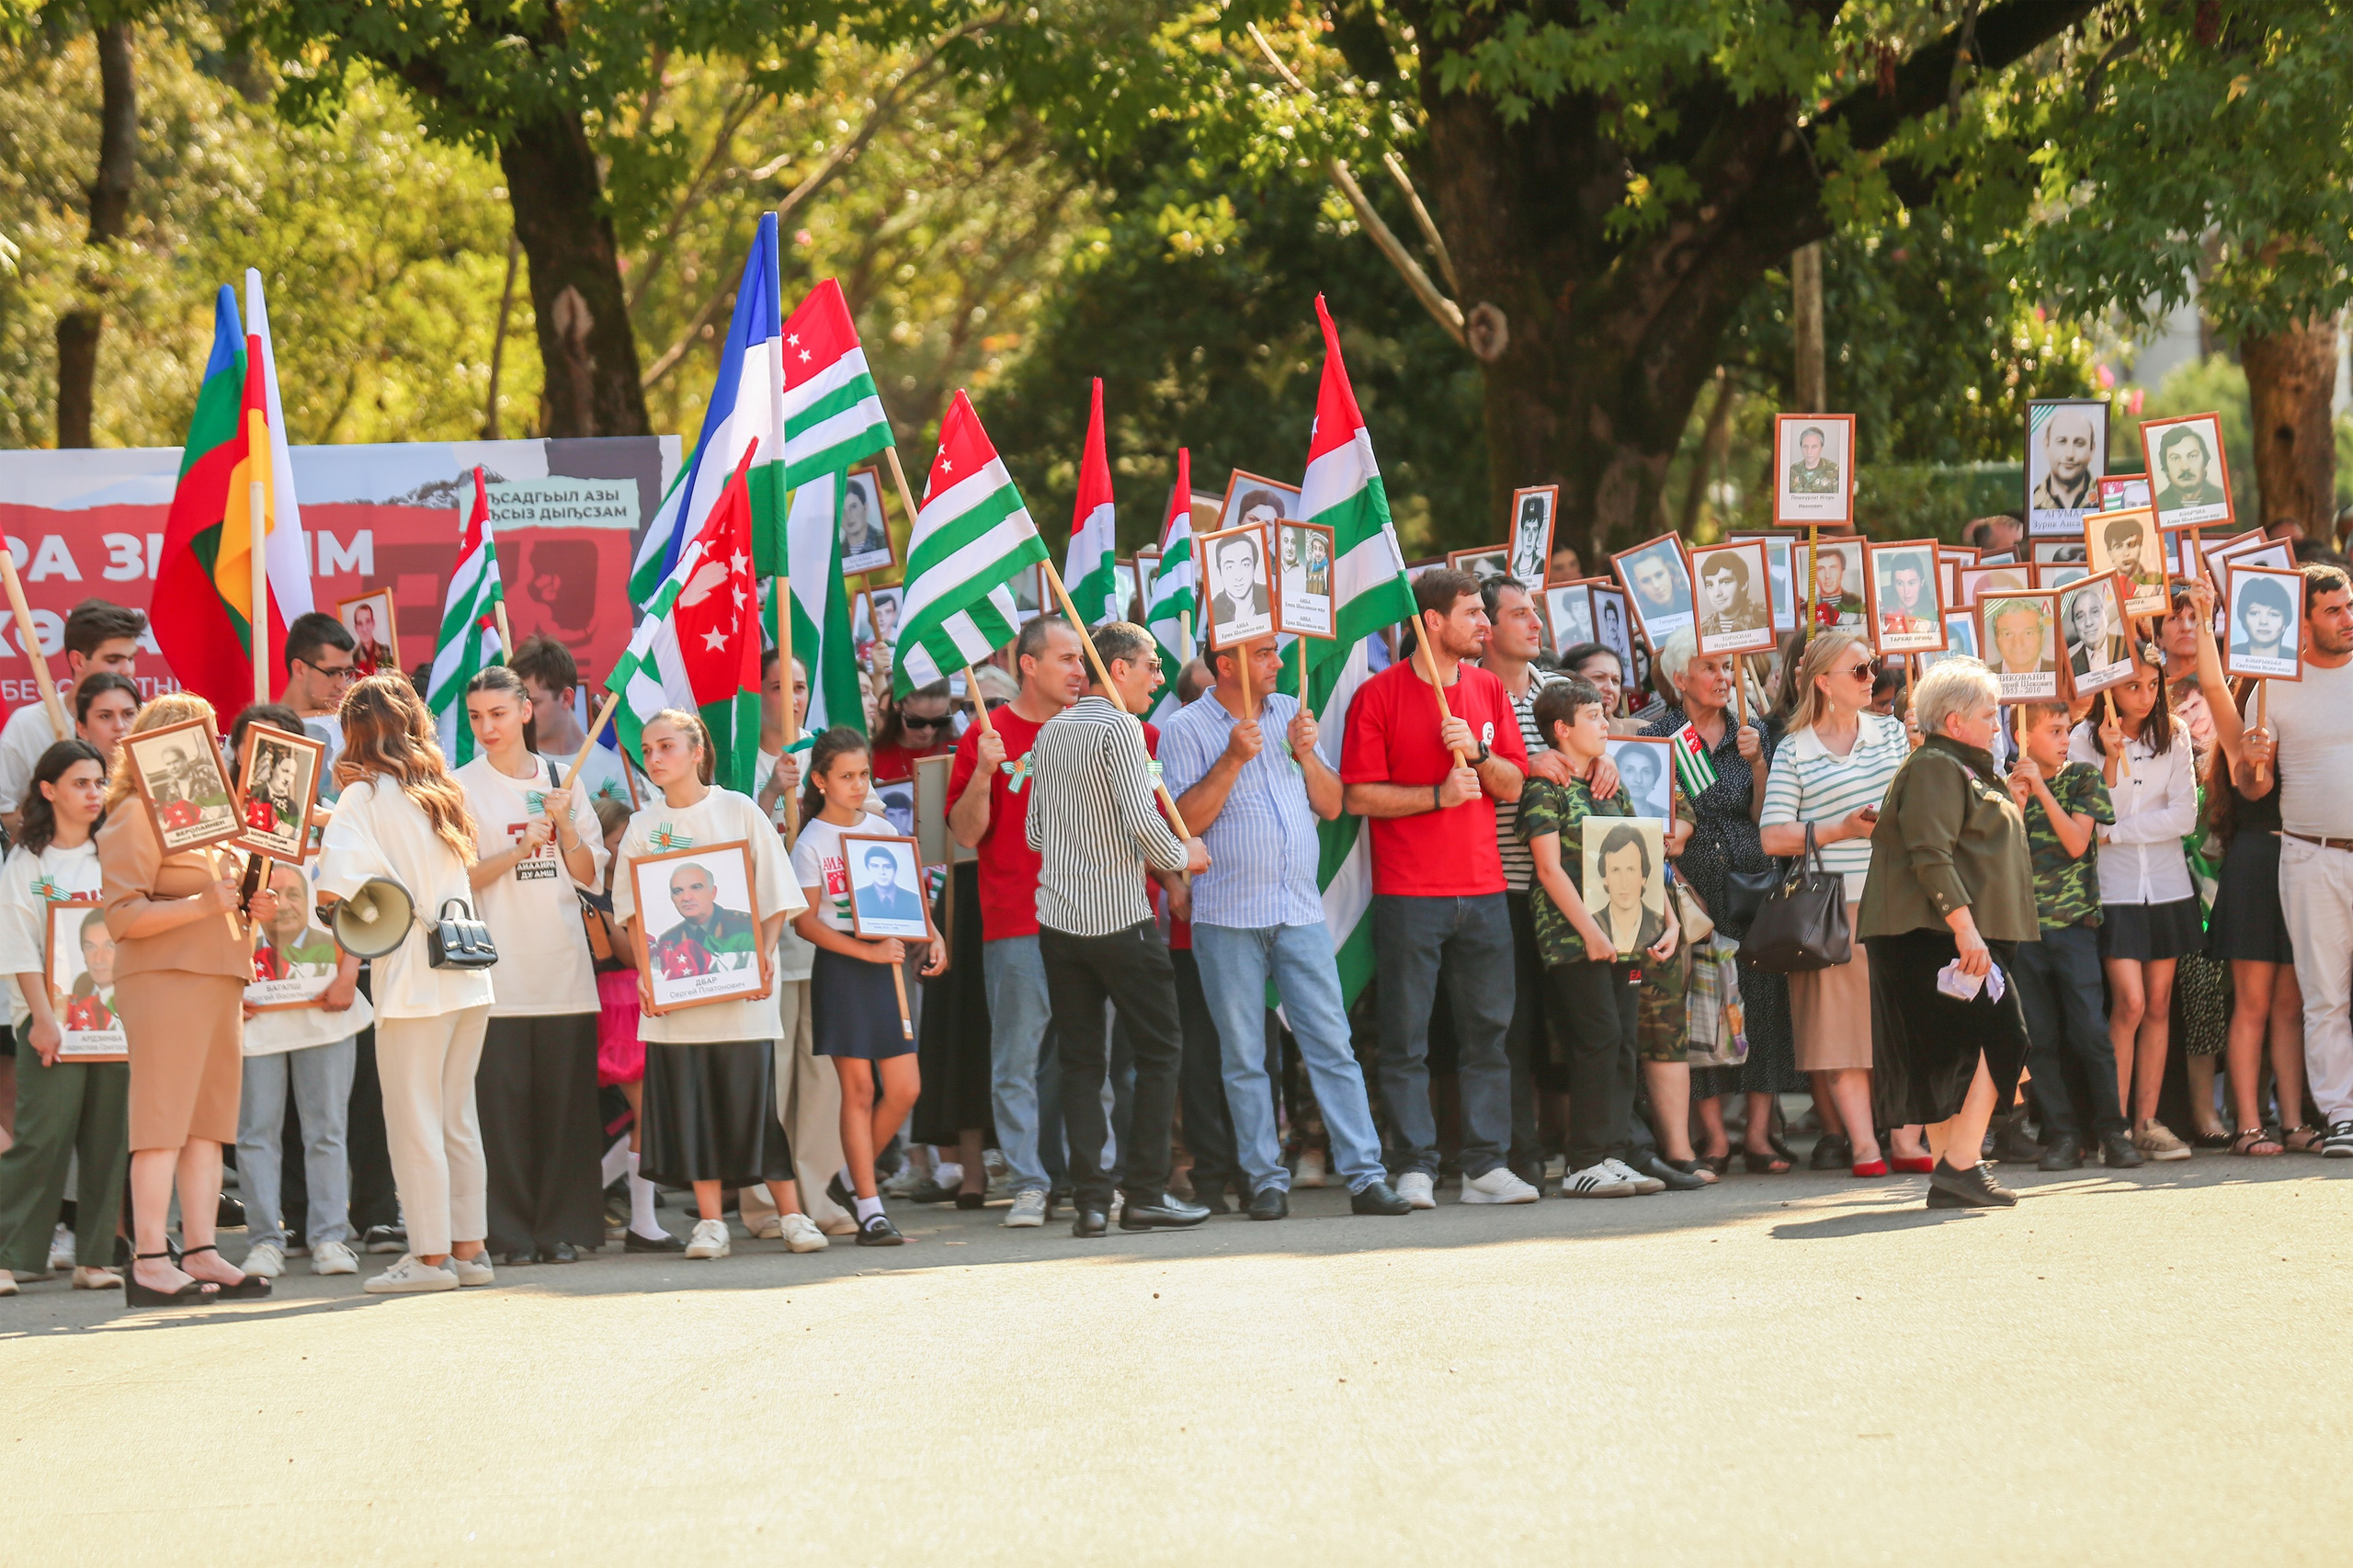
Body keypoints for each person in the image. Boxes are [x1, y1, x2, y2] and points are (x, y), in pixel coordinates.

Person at [1161, 632, 1410, 1220]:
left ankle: (1365, 1177)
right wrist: (1230, 759)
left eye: (1275, 653)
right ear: (1225, 665)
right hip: (1226, 916)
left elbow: (1330, 804)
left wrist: (1305, 754)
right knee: (1245, 1055)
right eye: (1263, 654)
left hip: (1300, 910)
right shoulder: (1186, 728)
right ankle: (1265, 1181)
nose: (1278, 663)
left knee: (1332, 1045)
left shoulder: (1291, 713)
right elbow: (1182, 823)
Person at [1339, 569, 1539, 1207]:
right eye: (1472, 613)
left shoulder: (1487, 690)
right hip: (1409, 894)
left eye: (1484, 613)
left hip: (1484, 890)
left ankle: (1484, 1166)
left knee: (1489, 1034)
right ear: (1432, 622)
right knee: (1406, 1037)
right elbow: (1357, 795)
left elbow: (1515, 784)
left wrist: (1478, 759)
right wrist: (1436, 794)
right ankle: (1415, 1166)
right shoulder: (1378, 696)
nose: (1484, 623)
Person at [313, 676, 503, 1294]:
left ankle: (428, 1260)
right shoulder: (443, 791)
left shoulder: (360, 797)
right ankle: (469, 1251)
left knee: (415, 1119)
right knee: (456, 1116)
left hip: (413, 979)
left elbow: (333, 892)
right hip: (467, 971)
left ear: (354, 733)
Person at [1024, 621, 1211, 1236]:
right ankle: (1146, 1194)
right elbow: (1143, 821)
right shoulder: (1122, 729)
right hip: (1119, 920)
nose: (1160, 678)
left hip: (1059, 921)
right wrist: (1186, 855)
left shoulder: (1050, 732)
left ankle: (1090, 1203)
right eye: (1152, 666)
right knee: (1160, 1052)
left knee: (1082, 1064)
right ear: (1120, 669)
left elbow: (1033, 835)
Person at [609, 710, 813, 1258]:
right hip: (676, 1002)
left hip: (742, 995)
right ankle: (709, 1224)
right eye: (648, 749)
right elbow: (632, 914)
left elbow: (774, 893)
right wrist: (647, 975)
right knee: (692, 1106)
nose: (654, 758)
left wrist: (763, 956)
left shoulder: (738, 810)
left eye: (667, 746)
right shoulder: (641, 827)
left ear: (697, 751)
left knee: (754, 1107)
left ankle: (792, 1216)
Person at [98, 692, 276, 1304]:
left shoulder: (212, 822)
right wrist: (203, 905)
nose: (212, 746)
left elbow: (220, 904)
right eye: (200, 733)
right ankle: (150, 1258)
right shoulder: (132, 816)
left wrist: (254, 910)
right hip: (164, 980)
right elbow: (122, 916)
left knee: (206, 1127)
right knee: (162, 1122)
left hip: (218, 978)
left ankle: (200, 1250)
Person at [1858, 658, 2038, 1208]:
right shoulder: (1937, 764)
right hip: (1935, 932)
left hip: (1946, 931)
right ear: (1955, 720)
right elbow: (1930, 854)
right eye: (1990, 714)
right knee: (2005, 1037)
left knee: (1944, 1057)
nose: (1997, 722)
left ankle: (1952, 1171)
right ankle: (1961, 1166)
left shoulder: (1967, 766)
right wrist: (1965, 929)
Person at [456, 666, 613, 1267]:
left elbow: (589, 873)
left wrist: (567, 823)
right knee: (501, 1111)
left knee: (565, 1111)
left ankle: (560, 1229)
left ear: (525, 711)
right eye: (476, 717)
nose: (487, 727)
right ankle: (508, 1233)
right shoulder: (462, 787)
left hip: (564, 973)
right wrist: (517, 851)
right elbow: (458, 878)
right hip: (497, 976)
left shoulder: (563, 779)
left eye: (497, 713)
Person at [1758, 631, 1923, 1177]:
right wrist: (1838, 830)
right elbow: (1772, 836)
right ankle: (1863, 1147)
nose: (1872, 677)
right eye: (1859, 670)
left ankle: (1907, 1140)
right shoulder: (1793, 747)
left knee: (1904, 1026)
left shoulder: (1892, 734)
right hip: (1832, 907)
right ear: (1824, 682)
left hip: (1897, 900)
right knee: (1843, 1033)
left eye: (1871, 667)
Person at [1518, 678, 1686, 1195]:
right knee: (1595, 1040)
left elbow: (1641, 855)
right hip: (1574, 940)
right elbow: (1548, 869)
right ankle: (1582, 1163)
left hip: (1626, 935)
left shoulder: (1608, 782)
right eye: (1593, 716)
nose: (1606, 725)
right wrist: (1590, 932)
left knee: (1621, 1043)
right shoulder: (1544, 787)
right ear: (1562, 729)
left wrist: (1670, 919)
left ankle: (1613, 1153)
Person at [948, 616, 1087, 1226]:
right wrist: (982, 772)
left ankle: (1086, 1178)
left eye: (1081, 659)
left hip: (1092, 918)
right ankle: (1030, 1182)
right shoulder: (988, 734)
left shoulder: (1096, 730)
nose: (1081, 671)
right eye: (1066, 658)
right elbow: (965, 832)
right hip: (1018, 923)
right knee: (1017, 1060)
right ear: (1028, 665)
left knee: (1088, 1058)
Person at [1643, 630, 1796, 1173]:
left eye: (1727, 670)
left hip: (1753, 883)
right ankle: (1713, 1138)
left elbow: (1766, 818)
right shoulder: (1660, 737)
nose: (1722, 678)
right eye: (1710, 668)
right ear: (1680, 678)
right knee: (1698, 1007)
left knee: (1762, 1002)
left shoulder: (1751, 734)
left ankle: (1758, 1136)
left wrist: (1759, 765)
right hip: (1690, 890)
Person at [227, 702, 368, 1283]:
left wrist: (348, 973)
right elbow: (210, 914)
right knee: (255, 1134)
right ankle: (264, 1241)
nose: (275, 761)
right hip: (255, 1009)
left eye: (287, 748)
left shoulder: (332, 824)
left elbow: (357, 904)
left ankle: (331, 1236)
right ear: (238, 754)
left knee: (327, 1129)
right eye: (259, 746)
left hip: (326, 1004)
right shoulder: (224, 832)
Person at [791, 729, 943, 1245]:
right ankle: (871, 1208)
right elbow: (805, 923)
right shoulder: (810, 841)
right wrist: (866, 952)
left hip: (888, 964)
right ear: (821, 780)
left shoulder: (879, 826)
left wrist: (933, 932)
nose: (858, 786)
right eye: (846, 777)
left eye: (864, 775)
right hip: (845, 967)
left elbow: (906, 895)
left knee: (905, 1089)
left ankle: (848, 1178)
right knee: (857, 1090)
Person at [0, 740, 124, 1293]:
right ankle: (8, 1254)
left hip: (116, 1023)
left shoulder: (116, 852)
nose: (94, 793)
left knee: (106, 1137)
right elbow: (18, 945)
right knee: (40, 1138)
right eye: (80, 783)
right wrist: (43, 1020)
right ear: (48, 790)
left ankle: (94, 1258)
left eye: (99, 782)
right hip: (49, 1022)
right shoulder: (27, 860)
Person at [2066, 653, 2199, 1160]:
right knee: (2130, 1003)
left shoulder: (2178, 733)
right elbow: (2093, 815)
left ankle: (2147, 1121)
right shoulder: (2083, 738)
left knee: (2160, 1003)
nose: (2144, 695)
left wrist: (2117, 834)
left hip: (2166, 886)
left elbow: (2184, 815)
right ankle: (2112, 1125)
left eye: (2152, 685)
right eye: (2132, 686)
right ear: (2110, 691)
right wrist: (2107, 758)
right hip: (2114, 889)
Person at [2003, 701, 2136, 1170]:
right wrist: (2017, 802)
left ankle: (2113, 1131)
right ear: (2024, 735)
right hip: (2025, 931)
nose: (2064, 739)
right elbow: (2001, 856)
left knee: (2090, 1032)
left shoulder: (2082, 777)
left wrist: (2041, 791)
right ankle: (2061, 1134)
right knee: (2039, 1038)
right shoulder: (2005, 784)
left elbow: (2077, 843)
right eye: (2054, 730)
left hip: (2075, 926)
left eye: (2067, 730)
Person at [1476, 577, 1577, 1183]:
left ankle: (1597, 1147)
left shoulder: (1558, 693)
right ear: (1486, 629)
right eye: (1519, 614)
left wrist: (1610, 758)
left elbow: (1592, 756)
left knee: (1578, 1023)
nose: (1535, 623)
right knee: (1510, 1028)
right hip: (1503, 886)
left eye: (1535, 612)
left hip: (1568, 887)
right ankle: (1520, 1154)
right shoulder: (1475, 697)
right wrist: (1521, 762)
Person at [2257, 564, 2353, 1156]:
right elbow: (2249, 786)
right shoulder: (2272, 686)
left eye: (2351, 605)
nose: (2348, 618)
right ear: (2306, 620)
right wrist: (2251, 761)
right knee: (2324, 996)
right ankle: (2342, 1114)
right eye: (2334, 610)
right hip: (2310, 857)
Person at [0, 597, 144, 834]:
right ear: (78, 661)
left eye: (131, 658)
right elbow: (5, 815)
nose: (127, 670)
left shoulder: (147, 721)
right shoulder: (28, 726)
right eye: (113, 660)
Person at [511, 635, 632, 808]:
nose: (523, 713)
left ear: (566, 698)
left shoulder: (617, 768)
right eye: (515, 705)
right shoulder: (509, 769)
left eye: (534, 703)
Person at [2031, 405, 2100, 515]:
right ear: (2046, 446)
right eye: (2062, 442)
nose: (2070, 454)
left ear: (2092, 450)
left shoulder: (2105, 502)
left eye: (2079, 443)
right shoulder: (2031, 503)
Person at [1211, 530, 1272, 642]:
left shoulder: (1270, 599)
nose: (1238, 576)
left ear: (1254, 566)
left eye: (1245, 565)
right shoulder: (1214, 609)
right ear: (1219, 572)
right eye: (1229, 567)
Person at [2154, 425, 2228, 514]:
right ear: (2165, 468)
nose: (2185, 467)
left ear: (2205, 463)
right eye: (2176, 458)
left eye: (2192, 456)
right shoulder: (2157, 506)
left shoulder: (2222, 498)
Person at [73, 672, 138, 771]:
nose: (119, 726)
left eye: (128, 714)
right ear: (82, 729)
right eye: (105, 716)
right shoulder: (65, 783)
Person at [2231, 575, 2297, 666]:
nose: (2263, 621)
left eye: (2273, 614)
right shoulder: (2232, 654)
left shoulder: (2294, 659)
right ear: (2243, 619)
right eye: (2255, 613)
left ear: (2285, 622)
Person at [1698, 552, 1765, 641]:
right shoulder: (1701, 629)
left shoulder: (1766, 616)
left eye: (1725, 582)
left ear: (1743, 584)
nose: (1717, 593)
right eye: (1710, 585)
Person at [1989, 598, 2052, 680]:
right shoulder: (1983, 677)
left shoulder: (2062, 673)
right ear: (1996, 639)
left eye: (2028, 633)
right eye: (2007, 634)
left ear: (2042, 637)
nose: (2018, 644)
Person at [2066, 585, 2117, 679]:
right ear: (2074, 625)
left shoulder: (2127, 646)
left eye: (2094, 612)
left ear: (2106, 614)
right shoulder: (2070, 666)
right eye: (2080, 617)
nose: (2088, 622)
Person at [1877, 558, 1935, 638]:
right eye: (1900, 583)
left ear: (1921, 583)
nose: (1906, 591)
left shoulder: (1932, 614)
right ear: (1894, 585)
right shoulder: (1885, 612)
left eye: (1911, 583)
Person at [841, 481, 888, 561]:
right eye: (842, 511)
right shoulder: (836, 554)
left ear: (865, 508)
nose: (848, 516)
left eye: (853, 507)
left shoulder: (884, 542)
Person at [1788, 425, 1840, 494]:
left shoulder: (1835, 471)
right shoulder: (1792, 470)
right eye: (1805, 446)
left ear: (1821, 448)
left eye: (1814, 446)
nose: (1809, 451)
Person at [347, 599, 393, 675]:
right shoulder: (353, 657)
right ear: (356, 628)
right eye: (360, 623)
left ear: (373, 623)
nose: (364, 629)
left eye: (367, 621)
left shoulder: (385, 650)